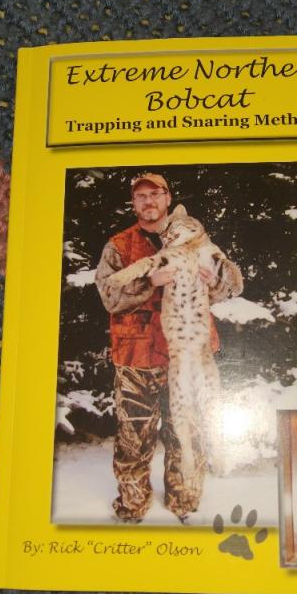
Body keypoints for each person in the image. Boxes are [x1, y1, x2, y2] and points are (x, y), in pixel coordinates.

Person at [95, 173, 239, 522]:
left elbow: (232, 287)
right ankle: (132, 506)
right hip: (138, 356)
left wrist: (215, 281)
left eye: (155, 194)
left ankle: (183, 502)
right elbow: (109, 295)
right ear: (134, 203)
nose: (148, 201)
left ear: (168, 198)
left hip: (189, 352)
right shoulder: (119, 245)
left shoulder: (194, 237)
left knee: (189, 431)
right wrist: (149, 282)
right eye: (140, 196)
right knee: (134, 437)